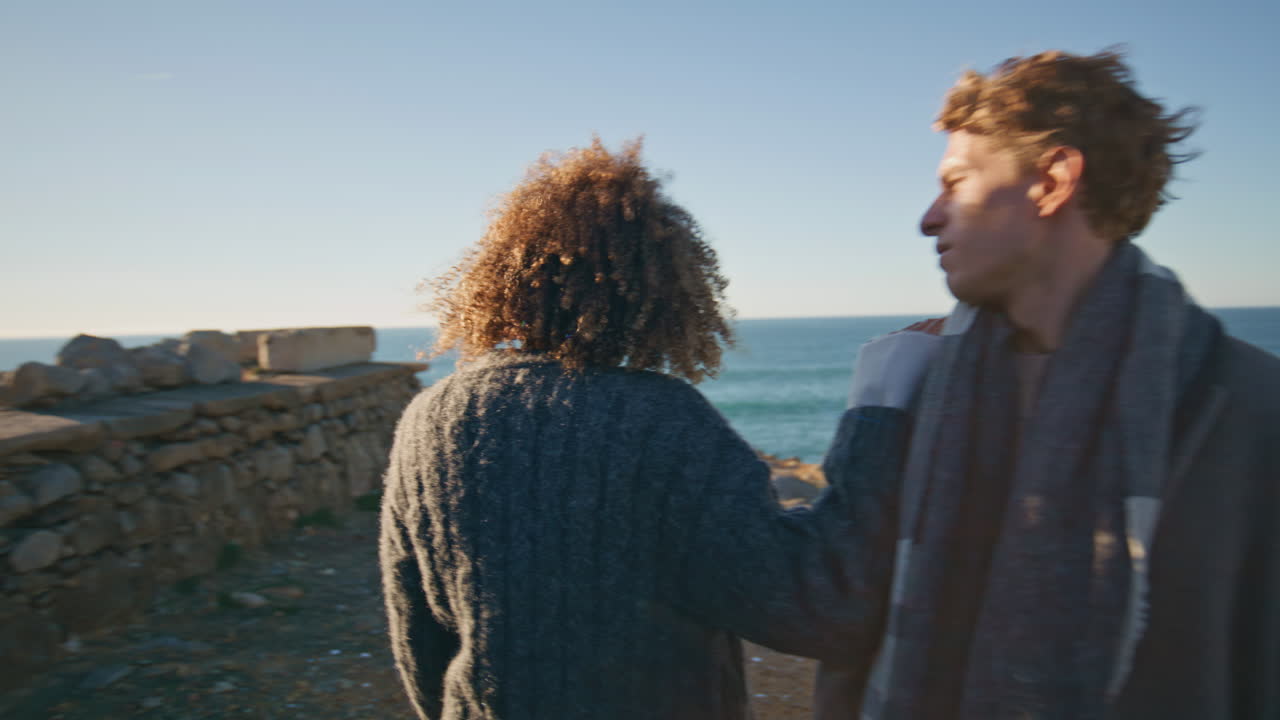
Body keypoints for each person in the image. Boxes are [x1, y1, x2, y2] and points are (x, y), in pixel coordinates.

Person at [378, 138, 927, 720]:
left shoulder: (429, 420)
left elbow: (418, 641)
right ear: (663, 287)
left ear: (501, 275)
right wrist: (880, 405)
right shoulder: (662, 420)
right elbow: (818, 606)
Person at [815, 49, 1280, 719]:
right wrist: (877, 407)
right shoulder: (915, 385)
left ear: (1053, 179)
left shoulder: (1246, 409)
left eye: (957, 182)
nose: (929, 218)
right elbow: (842, 616)